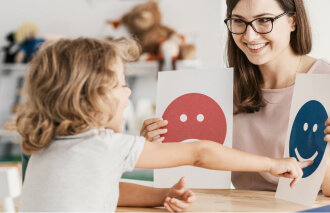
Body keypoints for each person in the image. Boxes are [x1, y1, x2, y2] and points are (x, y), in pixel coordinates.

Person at [17, 37, 310, 212]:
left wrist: (162, 195)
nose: (129, 92)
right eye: (121, 85)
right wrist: (270, 164)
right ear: (91, 100)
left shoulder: (43, 147)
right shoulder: (105, 146)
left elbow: (103, 187)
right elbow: (200, 152)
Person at [141, 0, 330, 196]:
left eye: (264, 20)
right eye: (239, 21)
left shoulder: (325, 81)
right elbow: (196, 169)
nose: (249, 35)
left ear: (293, 21)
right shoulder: (217, 91)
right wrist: (155, 148)